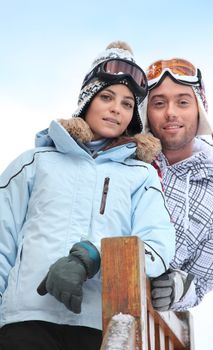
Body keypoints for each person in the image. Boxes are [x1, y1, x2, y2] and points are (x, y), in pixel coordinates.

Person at [0, 42, 176, 350]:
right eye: (106, 97)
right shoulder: (35, 162)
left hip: (100, 324)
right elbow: (3, 241)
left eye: (127, 104)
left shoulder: (141, 176)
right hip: (25, 322)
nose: (115, 109)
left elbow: (158, 246)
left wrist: (93, 259)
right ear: (87, 101)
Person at [142, 57, 213, 312]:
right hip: (82, 302)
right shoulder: (127, 160)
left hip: (137, 324)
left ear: (199, 111)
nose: (171, 112)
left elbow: (201, 284)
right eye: (159, 103)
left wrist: (179, 286)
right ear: (146, 112)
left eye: (183, 102)